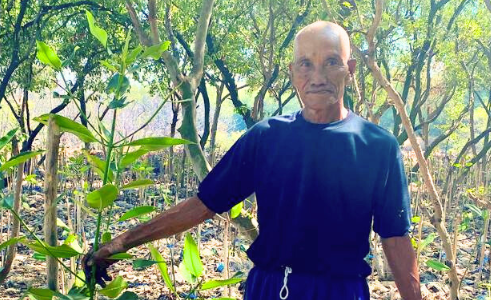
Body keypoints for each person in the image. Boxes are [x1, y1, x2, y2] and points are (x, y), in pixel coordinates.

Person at [84, 21, 422, 300]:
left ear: (348, 69)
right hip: (271, 287)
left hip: (341, 291)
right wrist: (121, 242)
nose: (317, 76)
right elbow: (204, 204)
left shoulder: (377, 146)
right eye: (306, 64)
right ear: (292, 72)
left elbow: (395, 237)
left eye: (331, 62)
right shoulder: (267, 137)